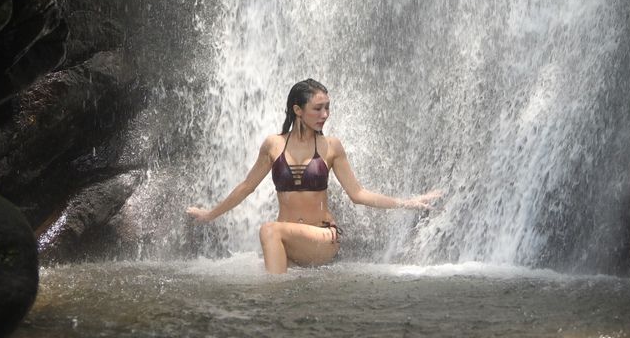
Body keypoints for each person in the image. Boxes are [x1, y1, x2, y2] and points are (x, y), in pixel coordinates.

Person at [186, 77, 442, 274]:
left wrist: (409, 202)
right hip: (291, 245)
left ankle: (273, 300)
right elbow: (246, 187)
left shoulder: (331, 146)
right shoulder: (273, 145)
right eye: (318, 109)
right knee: (272, 232)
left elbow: (358, 194)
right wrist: (210, 215)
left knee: (269, 230)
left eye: (328, 108)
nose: (325, 115)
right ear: (298, 110)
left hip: (323, 238)